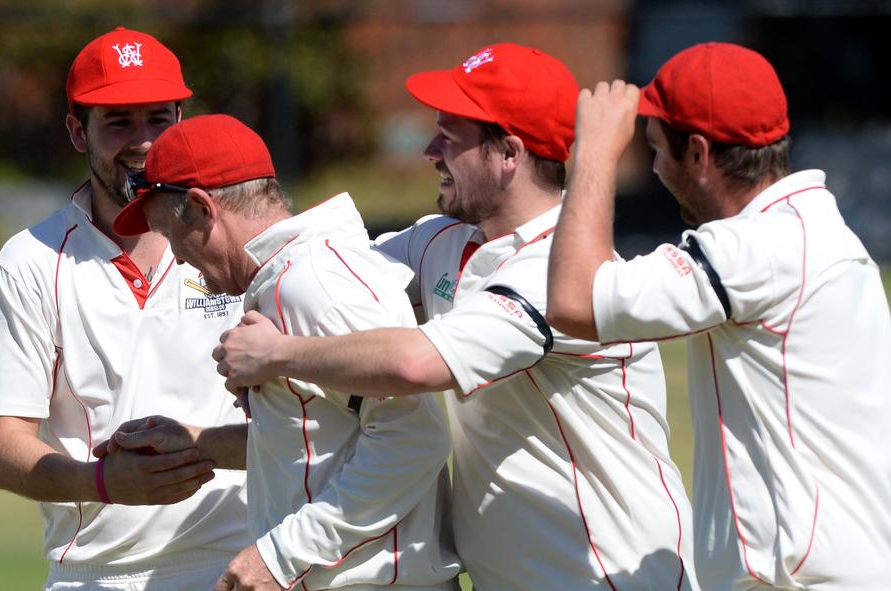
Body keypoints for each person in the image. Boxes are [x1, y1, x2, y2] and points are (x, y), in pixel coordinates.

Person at [213, 43, 699, 590]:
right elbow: (333, 277)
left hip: (611, 577)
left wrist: (277, 354)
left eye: (450, 135)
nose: (428, 150)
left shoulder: (554, 270)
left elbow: (414, 365)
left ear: (509, 153)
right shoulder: (444, 241)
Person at [546, 42, 891, 590]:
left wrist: (593, 155)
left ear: (701, 155)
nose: (654, 166)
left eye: (657, 150)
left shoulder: (756, 249)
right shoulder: (817, 234)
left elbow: (572, 301)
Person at [109, 113, 461, 591]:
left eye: (170, 234)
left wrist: (281, 556)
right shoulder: (292, 277)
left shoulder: (310, 285)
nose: (177, 256)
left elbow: (414, 438)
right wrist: (199, 442)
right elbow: (330, 440)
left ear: (202, 208)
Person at [0, 27, 250, 590]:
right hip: (97, 574)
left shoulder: (240, 240)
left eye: (158, 118)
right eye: (118, 122)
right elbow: (3, 444)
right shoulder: (29, 260)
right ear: (78, 131)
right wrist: (103, 482)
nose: (144, 141)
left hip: (243, 563)